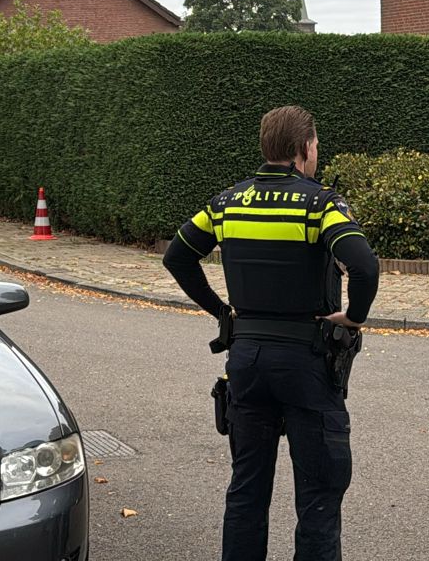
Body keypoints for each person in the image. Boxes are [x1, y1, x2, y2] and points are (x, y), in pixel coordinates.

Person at [162, 105, 380, 561]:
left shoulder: (226, 203)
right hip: (307, 362)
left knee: (246, 491)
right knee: (318, 497)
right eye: (316, 145)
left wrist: (222, 312)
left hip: (247, 361)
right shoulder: (320, 204)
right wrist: (353, 318)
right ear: (304, 150)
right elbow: (363, 265)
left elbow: (178, 257)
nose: (316, 153)